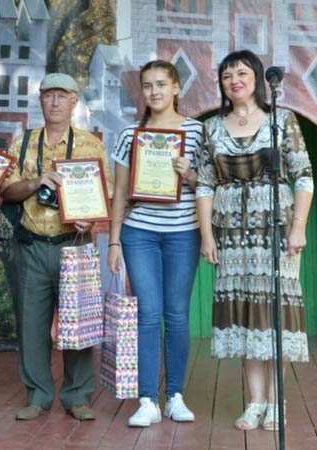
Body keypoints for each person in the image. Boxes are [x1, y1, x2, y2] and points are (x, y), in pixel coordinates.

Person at [195, 50, 313, 431]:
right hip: (231, 233)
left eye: (242, 73)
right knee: (246, 315)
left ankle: (277, 401)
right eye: (227, 75)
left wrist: (299, 226)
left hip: (275, 229)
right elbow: (204, 183)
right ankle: (255, 402)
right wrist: (207, 234)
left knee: (274, 315)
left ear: (259, 78)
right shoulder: (212, 127)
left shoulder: (282, 119)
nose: (234, 80)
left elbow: (304, 175)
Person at [1, 73, 113, 421]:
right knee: (31, 324)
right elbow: (6, 192)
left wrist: (89, 220)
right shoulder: (22, 143)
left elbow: (104, 195)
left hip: (73, 243)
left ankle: (77, 395)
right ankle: (38, 395)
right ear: (40, 100)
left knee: (78, 321)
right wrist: (37, 182)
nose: (55, 102)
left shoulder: (90, 146)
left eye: (62, 96)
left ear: (74, 101)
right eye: (49, 95)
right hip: (32, 244)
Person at [108, 60, 202, 427]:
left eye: (161, 84)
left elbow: (207, 185)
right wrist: (114, 241)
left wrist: (189, 174)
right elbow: (119, 192)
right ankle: (147, 399)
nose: (154, 91)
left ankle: (175, 396)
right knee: (148, 313)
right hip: (139, 233)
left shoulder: (196, 131)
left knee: (176, 314)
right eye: (147, 85)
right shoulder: (130, 134)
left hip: (184, 232)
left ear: (176, 87)